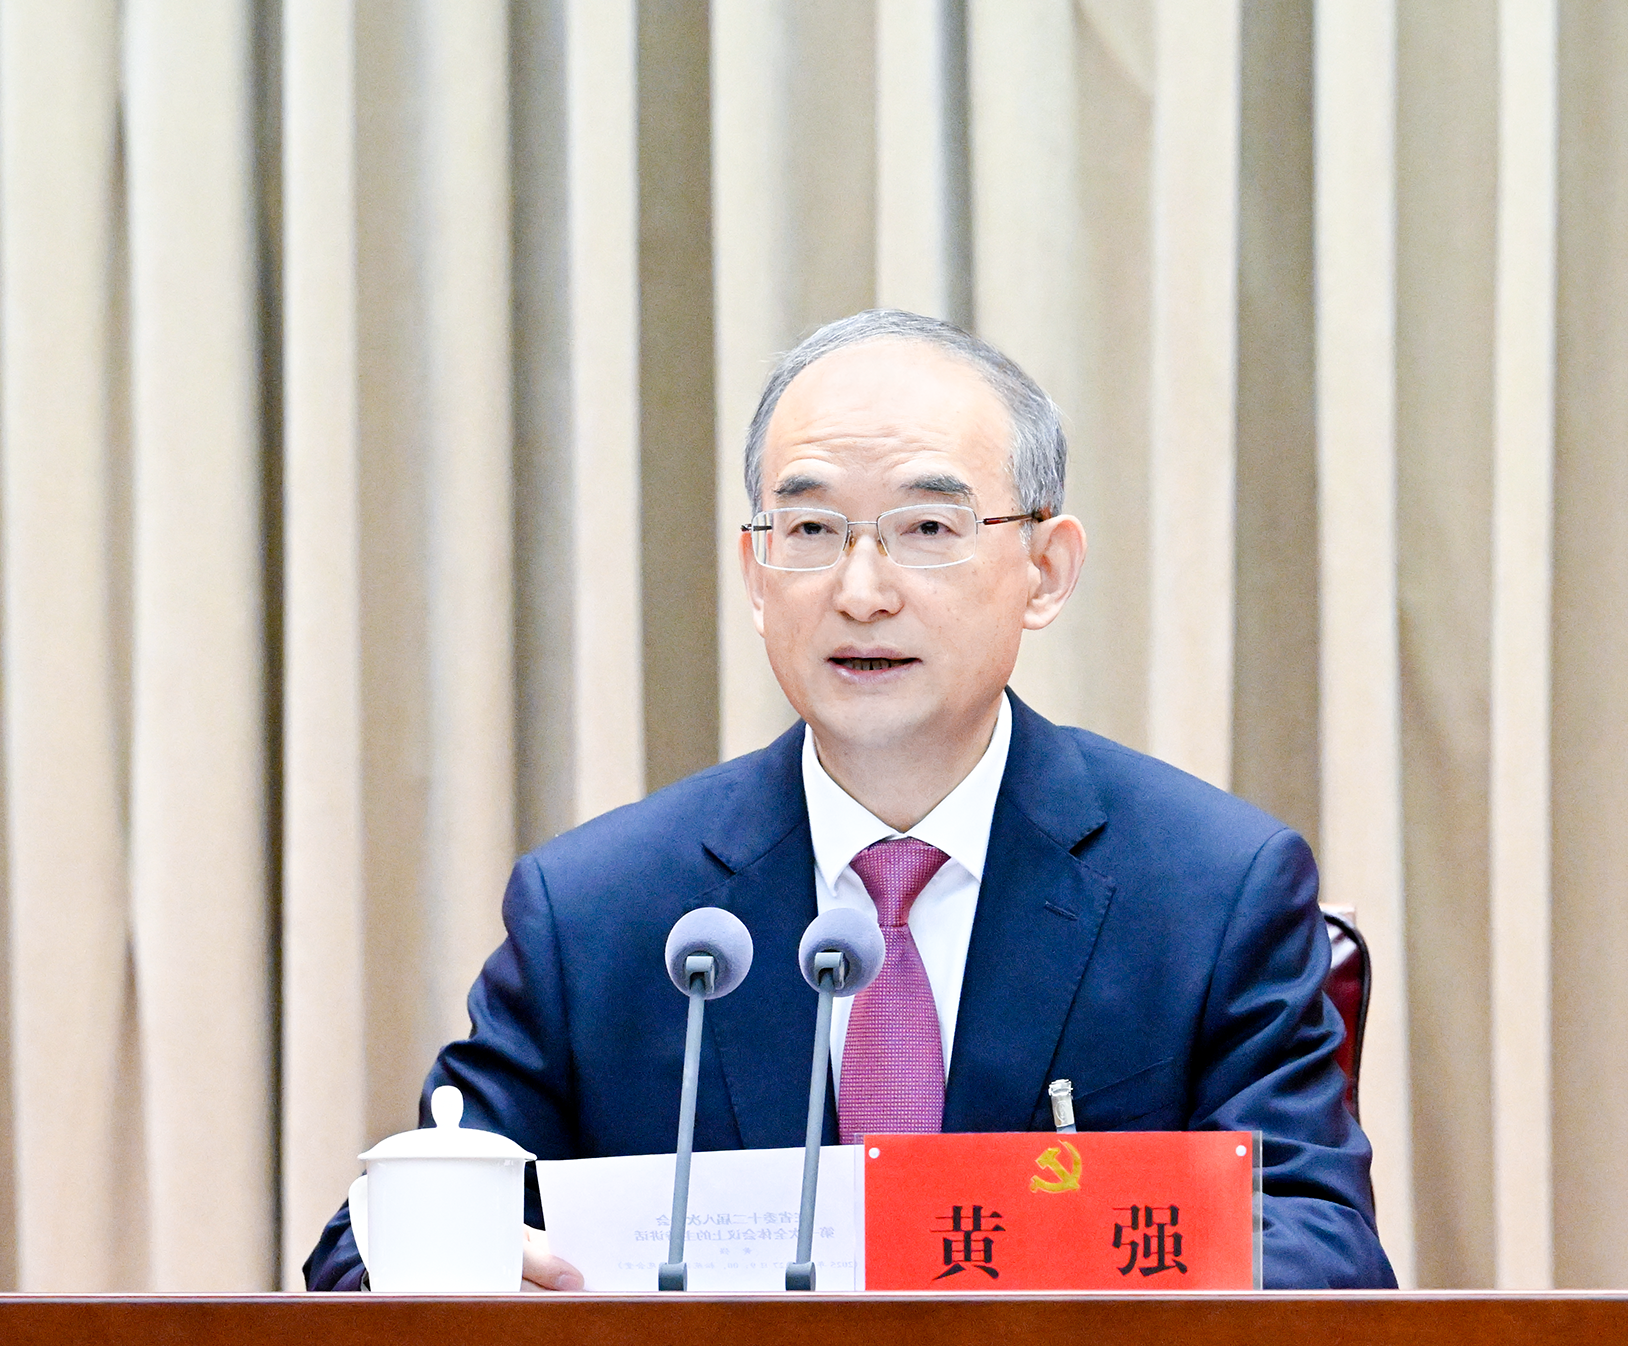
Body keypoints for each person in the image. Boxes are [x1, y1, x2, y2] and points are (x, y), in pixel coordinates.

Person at [305, 308, 1395, 1291]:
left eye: (928, 529)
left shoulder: (1211, 890)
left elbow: (1323, 1249)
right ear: (755, 574)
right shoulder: (597, 914)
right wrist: (453, 1259)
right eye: (812, 531)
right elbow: (365, 1251)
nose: (862, 591)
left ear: (1045, 570)